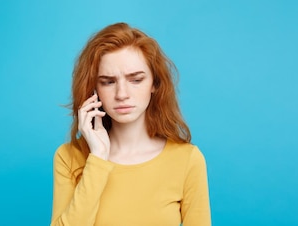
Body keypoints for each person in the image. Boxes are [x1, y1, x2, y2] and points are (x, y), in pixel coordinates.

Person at [51, 22, 211, 226]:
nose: (122, 94)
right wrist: (98, 158)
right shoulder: (68, 158)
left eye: (135, 80)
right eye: (108, 82)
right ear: (94, 90)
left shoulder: (187, 160)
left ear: (155, 83)